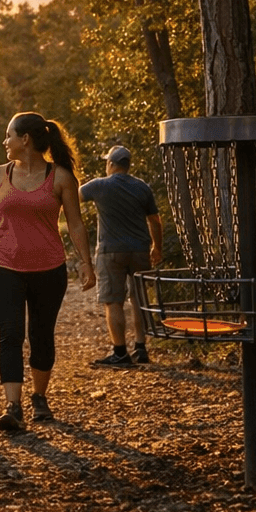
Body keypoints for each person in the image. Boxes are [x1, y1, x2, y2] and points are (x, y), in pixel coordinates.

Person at [0, 112, 95, 432]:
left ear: (25, 140)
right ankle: (13, 405)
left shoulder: (62, 177)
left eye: (9, 135)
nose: (4, 141)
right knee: (10, 335)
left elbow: (76, 224)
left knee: (41, 335)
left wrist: (86, 263)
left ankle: (39, 396)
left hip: (49, 269)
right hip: (5, 267)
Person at [80, 145, 163, 367]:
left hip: (111, 251)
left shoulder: (100, 185)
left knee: (113, 301)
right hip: (140, 250)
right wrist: (157, 247)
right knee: (138, 299)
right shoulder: (142, 188)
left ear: (111, 164)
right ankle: (141, 348)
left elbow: (72, 195)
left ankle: (119, 353)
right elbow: (154, 220)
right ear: (128, 165)